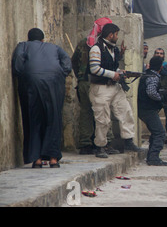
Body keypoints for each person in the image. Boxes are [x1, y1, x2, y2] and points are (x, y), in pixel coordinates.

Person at [12, 28, 72, 168]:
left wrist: (26, 75)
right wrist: (58, 75)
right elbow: (67, 63)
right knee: (53, 118)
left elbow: (18, 65)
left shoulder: (23, 46)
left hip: (31, 83)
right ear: (43, 40)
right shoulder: (54, 47)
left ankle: (37, 159)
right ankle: (53, 159)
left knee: (33, 118)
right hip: (54, 82)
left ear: (29, 39)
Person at [88, 23, 141, 158]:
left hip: (115, 87)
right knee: (102, 119)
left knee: (126, 111)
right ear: (110, 35)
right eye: (116, 34)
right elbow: (94, 69)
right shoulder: (96, 49)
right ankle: (100, 146)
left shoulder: (114, 50)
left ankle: (129, 141)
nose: (117, 37)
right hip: (101, 88)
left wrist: (121, 72)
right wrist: (113, 74)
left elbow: (112, 68)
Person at [71, 17, 118, 155]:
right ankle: (106, 143)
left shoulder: (82, 43)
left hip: (83, 83)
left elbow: (74, 62)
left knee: (86, 113)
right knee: (104, 112)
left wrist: (80, 77)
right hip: (97, 83)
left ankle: (85, 144)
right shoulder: (104, 45)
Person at [138, 56, 167, 166]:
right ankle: (153, 158)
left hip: (144, 108)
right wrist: (160, 97)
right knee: (160, 133)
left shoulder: (146, 74)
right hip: (147, 109)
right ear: (160, 67)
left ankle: (151, 156)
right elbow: (151, 92)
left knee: (155, 132)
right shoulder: (153, 77)